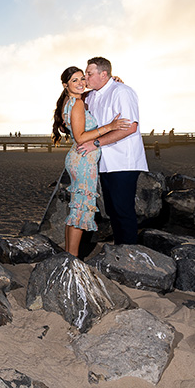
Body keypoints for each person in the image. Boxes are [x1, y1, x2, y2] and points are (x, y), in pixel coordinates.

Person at [52, 66, 131, 257]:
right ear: (65, 85)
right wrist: (109, 127)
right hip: (83, 160)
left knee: (77, 207)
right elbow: (80, 137)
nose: (80, 83)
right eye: (75, 80)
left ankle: (70, 256)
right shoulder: (77, 103)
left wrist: (111, 84)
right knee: (81, 209)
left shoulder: (70, 101)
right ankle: (72, 259)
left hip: (79, 158)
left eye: (82, 79)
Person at [78, 57, 149, 245]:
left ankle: (129, 253)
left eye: (89, 74)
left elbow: (130, 127)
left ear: (104, 74)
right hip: (104, 163)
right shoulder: (91, 96)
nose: (85, 78)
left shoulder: (122, 92)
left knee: (123, 210)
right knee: (112, 210)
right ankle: (120, 250)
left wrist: (96, 143)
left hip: (124, 161)